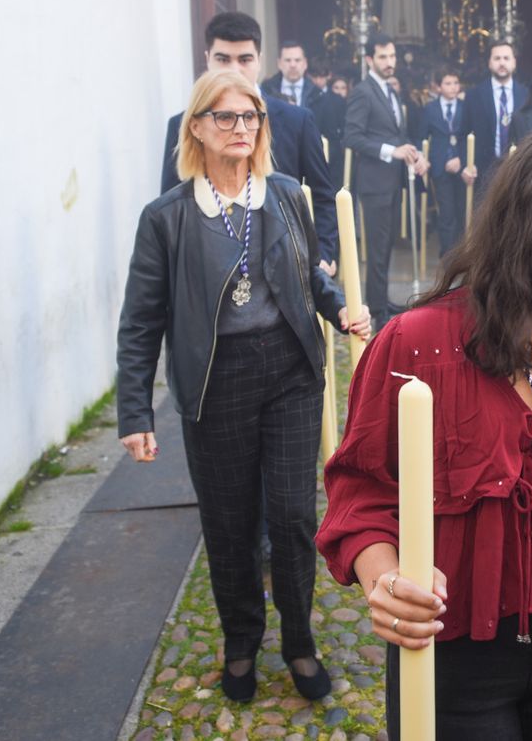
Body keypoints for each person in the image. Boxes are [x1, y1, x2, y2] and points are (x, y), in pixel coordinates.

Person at [317, 125, 532, 739]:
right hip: (455, 654)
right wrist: (386, 580)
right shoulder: (417, 346)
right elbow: (361, 492)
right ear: (518, 224)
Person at [116, 70, 372, 705]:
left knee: (291, 515)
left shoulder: (284, 195)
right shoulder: (167, 218)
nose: (241, 129)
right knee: (229, 523)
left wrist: (339, 307)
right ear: (196, 127)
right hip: (214, 382)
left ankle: (299, 640)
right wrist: (134, 411)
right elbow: (141, 319)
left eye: (250, 117)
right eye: (225, 117)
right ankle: (239, 640)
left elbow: (308, 274)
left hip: (288, 371)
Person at [160, 13, 338, 270]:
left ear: (259, 62)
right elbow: (170, 208)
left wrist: (323, 255)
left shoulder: (296, 121)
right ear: (207, 59)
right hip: (207, 272)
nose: (234, 69)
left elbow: (322, 196)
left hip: (285, 269)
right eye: (223, 59)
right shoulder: (182, 125)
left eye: (244, 59)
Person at [344, 35, 428, 331]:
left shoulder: (391, 93)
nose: (389, 62)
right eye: (382, 57)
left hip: (393, 182)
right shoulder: (363, 92)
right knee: (377, 250)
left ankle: (382, 301)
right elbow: (352, 137)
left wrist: (415, 155)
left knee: (388, 244)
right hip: (375, 184)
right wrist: (392, 152)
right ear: (369, 60)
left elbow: (396, 135)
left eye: (392, 56)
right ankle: (376, 311)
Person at [422, 67, 474, 258]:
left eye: (455, 83)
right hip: (440, 167)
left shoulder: (466, 107)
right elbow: (423, 138)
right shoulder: (430, 109)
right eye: (447, 83)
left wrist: (461, 160)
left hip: (462, 166)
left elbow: (470, 135)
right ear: (438, 86)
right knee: (446, 212)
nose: (452, 87)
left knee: (463, 210)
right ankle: (447, 255)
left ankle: (463, 254)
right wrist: (438, 161)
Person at [465, 40, 528, 195]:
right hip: (483, 172)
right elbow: (463, 133)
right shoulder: (474, 95)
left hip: (518, 171)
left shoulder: (526, 95)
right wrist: (466, 165)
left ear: (514, 63)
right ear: (489, 63)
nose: (502, 63)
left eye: (506, 58)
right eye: (497, 58)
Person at [264, 41, 319, 107]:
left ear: (305, 64)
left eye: (297, 60)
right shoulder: (266, 91)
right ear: (279, 63)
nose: (293, 65)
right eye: (288, 60)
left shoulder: (317, 94)